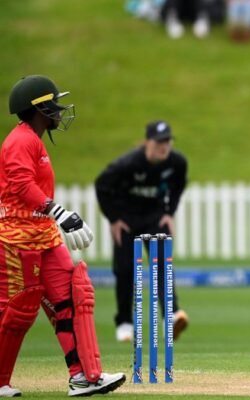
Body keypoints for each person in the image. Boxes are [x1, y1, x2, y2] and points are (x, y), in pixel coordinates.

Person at [0, 75, 126, 397]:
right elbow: (21, 185)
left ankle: (83, 376)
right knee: (17, 312)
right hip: (15, 240)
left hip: (43, 236)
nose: (59, 110)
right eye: (54, 104)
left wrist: (55, 219)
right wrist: (60, 213)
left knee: (72, 298)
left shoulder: (34, 140)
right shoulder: (20, 141)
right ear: (38, 108)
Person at [95, 120, 189, 343]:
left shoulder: (177, 162)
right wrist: (114, 218)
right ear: (147, 143)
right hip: (127, 221)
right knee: (125, 270)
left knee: (162, 264)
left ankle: (172, 315)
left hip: (154, 217)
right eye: (159, 142)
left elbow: (179, 185)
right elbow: (101, 185)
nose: (164, 147)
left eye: (167, 141)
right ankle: (124, 322)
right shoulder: (127, 164)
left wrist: (169, 212)